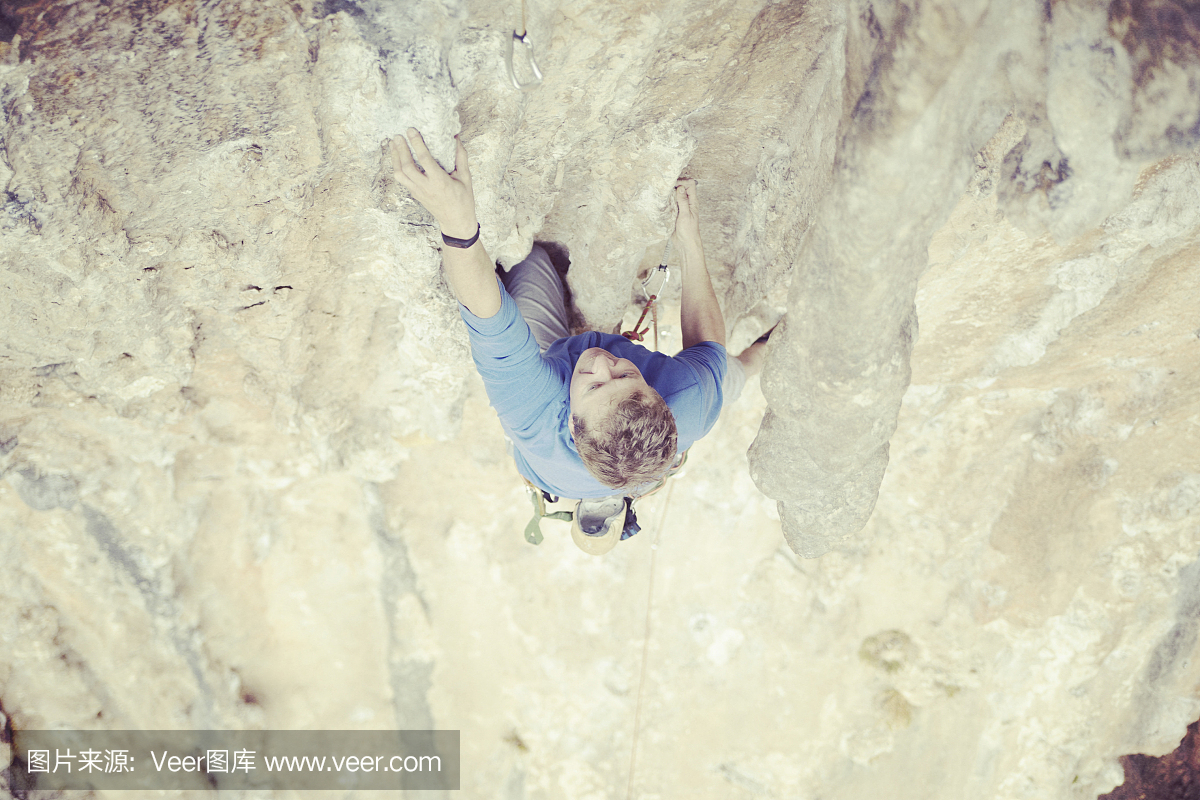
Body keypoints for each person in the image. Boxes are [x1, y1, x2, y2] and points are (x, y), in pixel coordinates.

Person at [390, 128, 768, 554]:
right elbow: (708, 348)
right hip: (627, 438)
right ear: (658, 396)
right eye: (626, 375)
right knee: (731, 376)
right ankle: (760, 357)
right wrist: (688, 241)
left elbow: (489, 318)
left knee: (530, 260)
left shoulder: (536, 415)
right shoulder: (690, 401)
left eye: (595, 386)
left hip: (552, 410)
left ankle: (746, 366)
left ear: (571, 424)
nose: (603, 360)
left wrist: (457, 222)